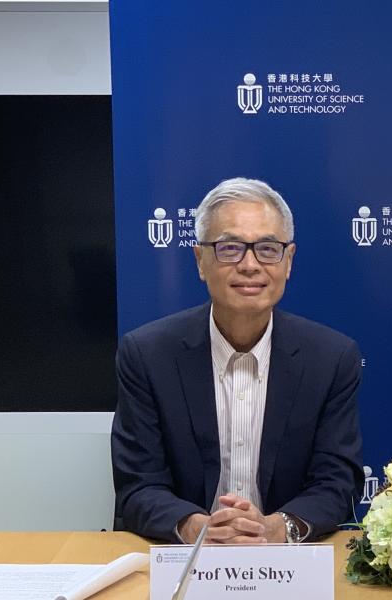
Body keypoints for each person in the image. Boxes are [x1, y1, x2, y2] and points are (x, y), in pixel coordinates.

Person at [112, 177, 363, 543]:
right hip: (184, 561)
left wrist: (279, 527)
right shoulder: (148, 354)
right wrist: (198, 528)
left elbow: (336, 482)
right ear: (201, 260)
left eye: (267, 248)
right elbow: (138, 485)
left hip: (286, 562)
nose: (249, 265)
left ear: (288, 260)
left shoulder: (331, 358)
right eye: (230, 248)